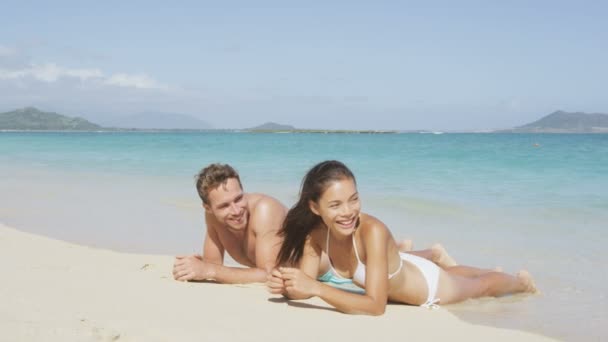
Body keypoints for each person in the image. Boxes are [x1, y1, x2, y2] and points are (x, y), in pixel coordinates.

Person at [267, 160, 536, 314]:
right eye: (335, 205)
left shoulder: (373, 231)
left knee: (483, 286)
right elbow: (307, 287)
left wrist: (314, 288)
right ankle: (488, 271)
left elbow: (375, 306)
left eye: (354, 199)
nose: (348, 212)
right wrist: (289, 286)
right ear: (315, 208)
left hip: (428, 287)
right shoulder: (315, 236)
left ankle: (522, 285)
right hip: (405, 267)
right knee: (459, 273)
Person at [173, 163, 458, 285]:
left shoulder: (262, 212)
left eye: (239, 198)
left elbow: (266, 273)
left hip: (326, 262)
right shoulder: (212, 217)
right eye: (224, 205)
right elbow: (214, 266)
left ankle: (430, 255)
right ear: (207, 207)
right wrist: (199, 267)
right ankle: (400, 248)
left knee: (374, 271)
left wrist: (209, 270)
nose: (236, 210)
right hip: (323, 264)